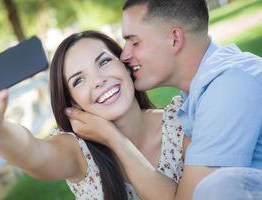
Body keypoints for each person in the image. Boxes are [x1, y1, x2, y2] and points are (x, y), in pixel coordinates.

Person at [66, 0, 262, 199]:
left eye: (134, 42)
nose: (124, 55)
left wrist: (113, 137)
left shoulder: (228, 90)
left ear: (174, 39)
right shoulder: (204, 90)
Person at [0, 30, 189, 200]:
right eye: (79, 80)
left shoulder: (181, 121)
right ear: (72, 101)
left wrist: (113, 138)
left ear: (126, 65)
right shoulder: (78, 152)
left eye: (104, 61)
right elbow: (33, 153)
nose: (99, 81)